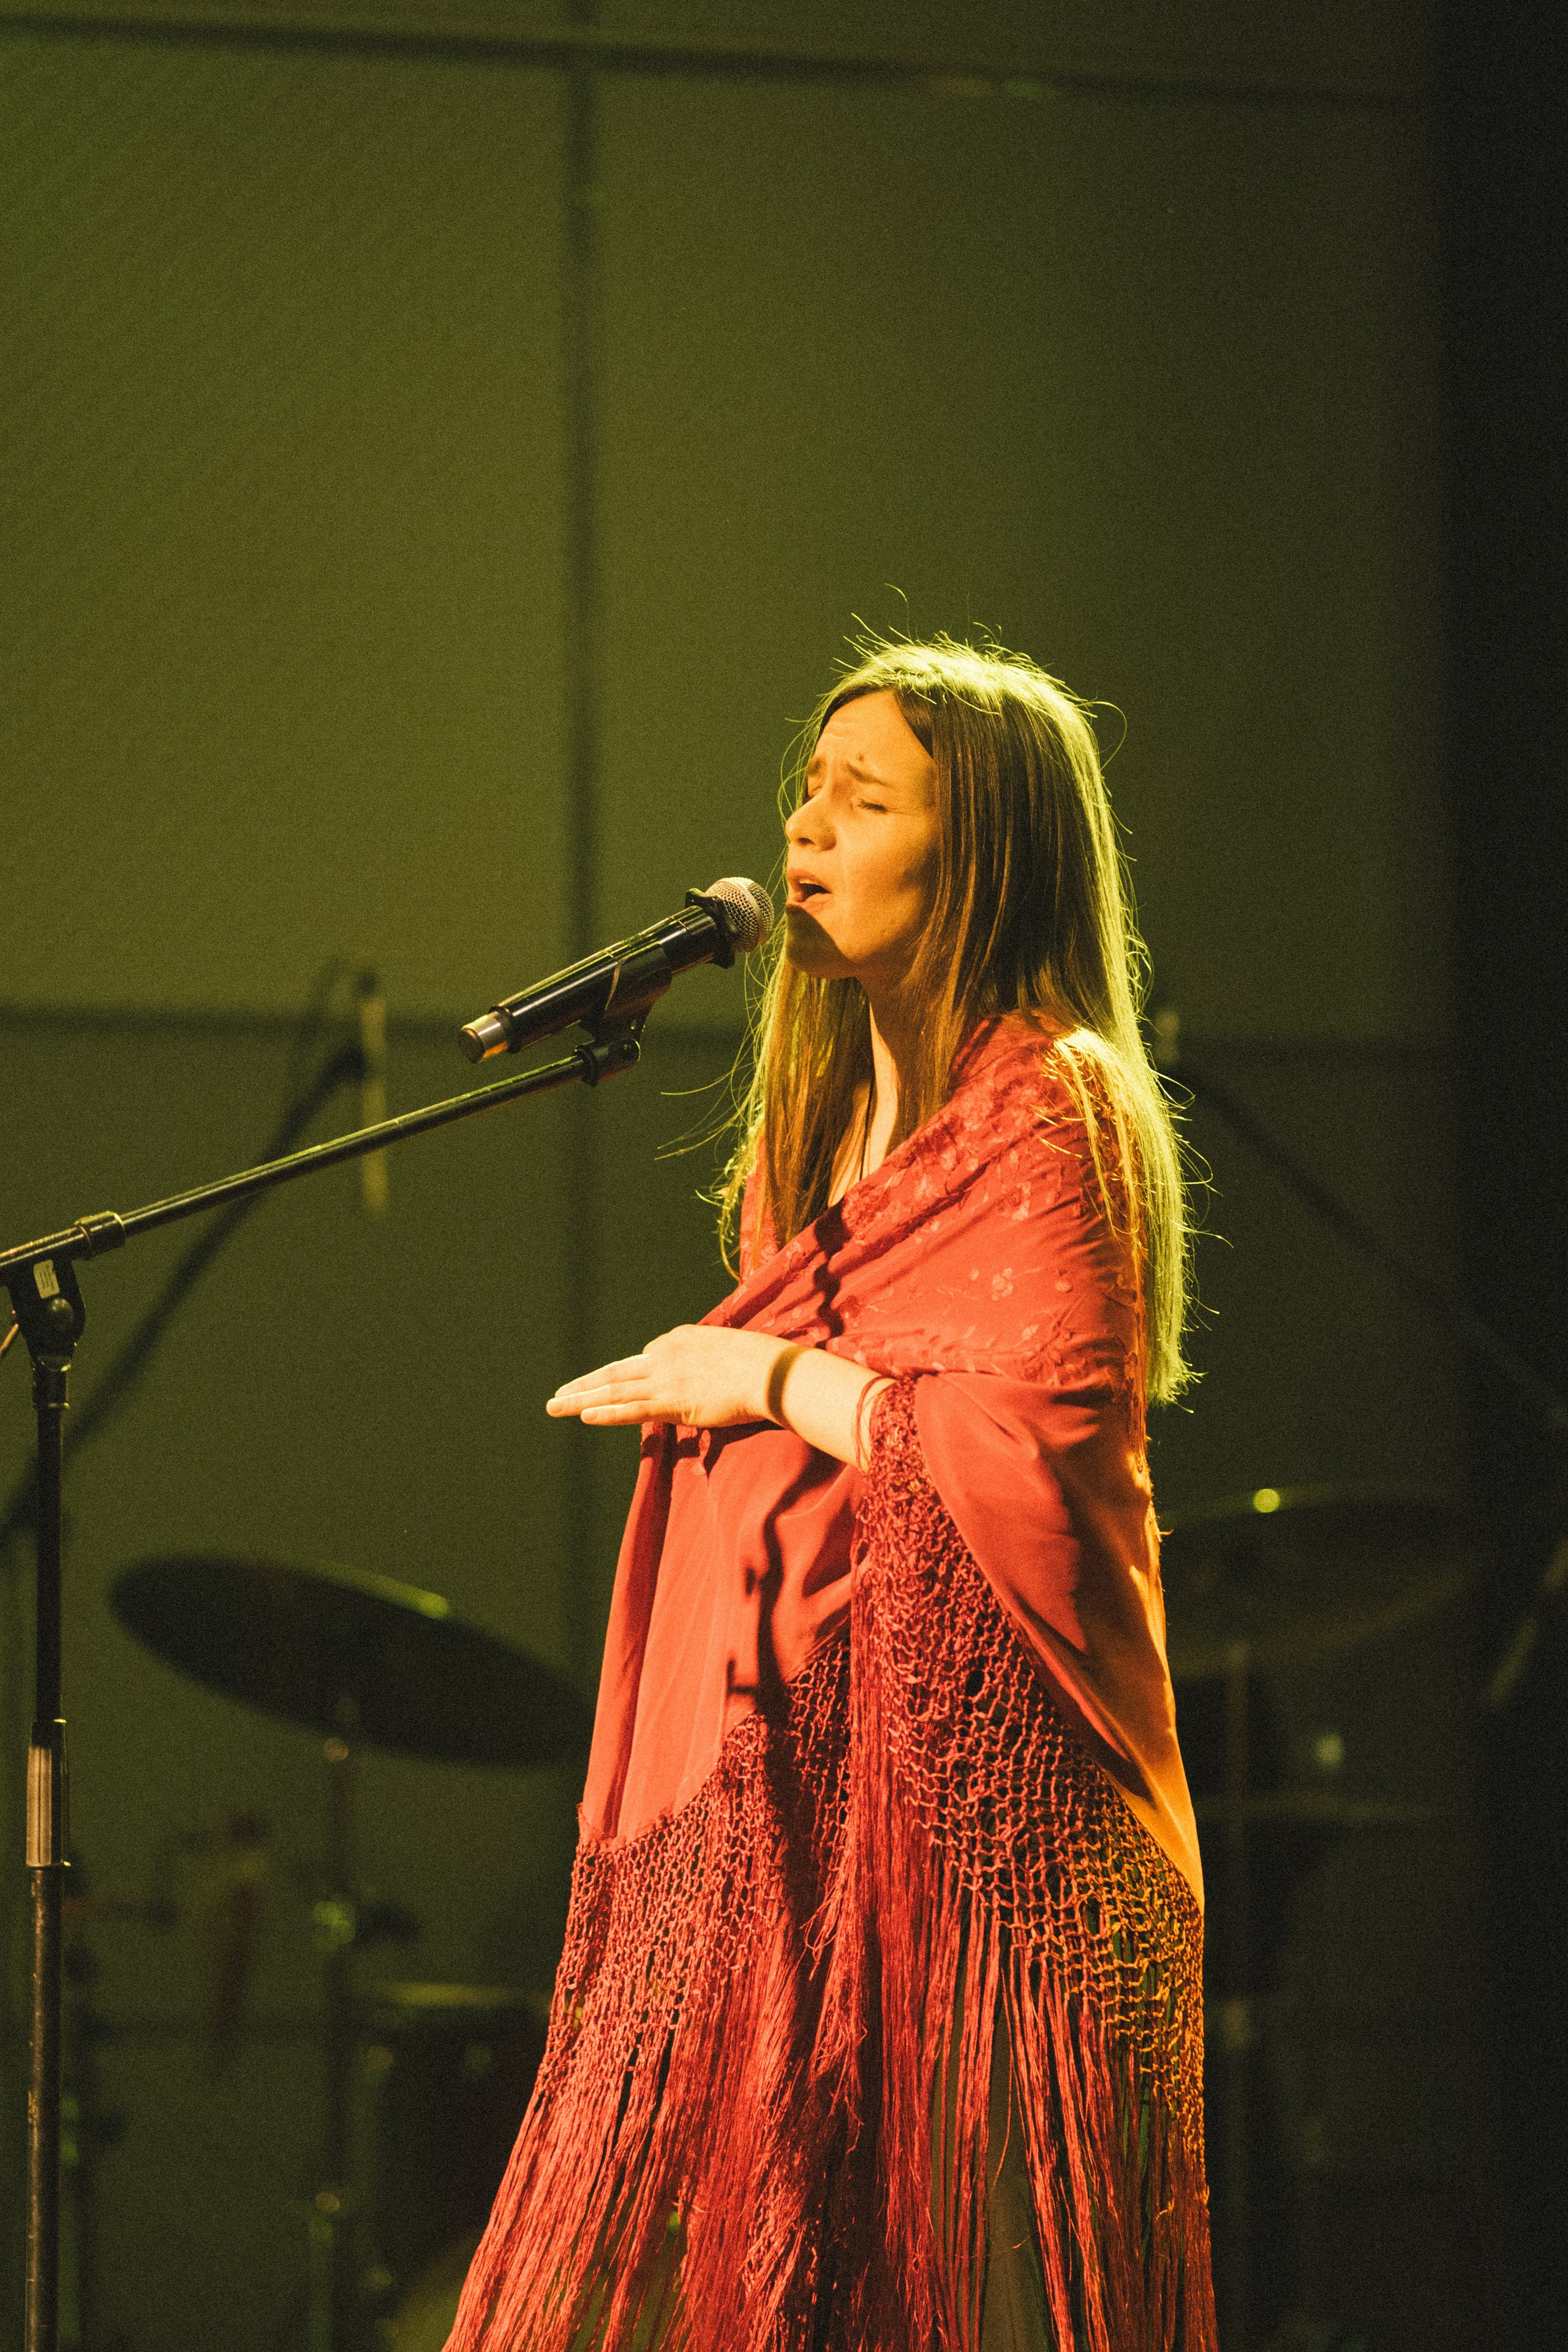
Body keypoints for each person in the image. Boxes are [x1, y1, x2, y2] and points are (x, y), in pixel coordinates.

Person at [446, 638, 1216, 2352]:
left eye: (863, 801)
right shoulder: (813, 1133)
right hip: (805, 1821)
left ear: (987, 855)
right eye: (808, 787)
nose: (806, 827)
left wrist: (767, 1379)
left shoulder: (1055, 1109)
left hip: (988, 1858)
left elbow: (1034, 1461)